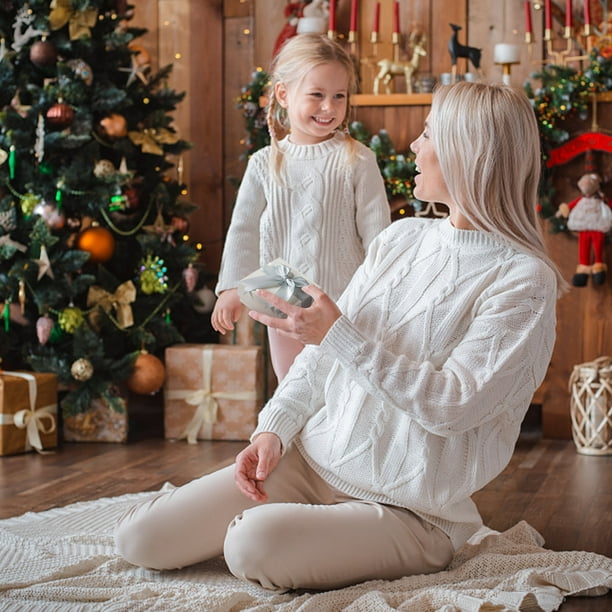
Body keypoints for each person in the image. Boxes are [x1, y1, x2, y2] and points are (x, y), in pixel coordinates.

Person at [116, 81, 566, 592]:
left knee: (251, 545)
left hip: (409, 510)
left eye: (426, 134)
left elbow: (454, 405)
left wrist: (338, 335)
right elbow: (322, 356)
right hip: (312, 463)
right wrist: (274, 430)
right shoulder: (402, 238)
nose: (413, 147)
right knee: (141, 539)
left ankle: (336, 539)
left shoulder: (523, 279)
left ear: (469, 153)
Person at [211, 33, 390, 381]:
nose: (329, 107)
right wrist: (232, 287)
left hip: (342, 302)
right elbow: (243, 229)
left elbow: (377, 233)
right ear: (283, 94)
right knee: (292, 386)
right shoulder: (265, 163)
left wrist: (380, 293)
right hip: (282, 295)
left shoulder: (357, 160)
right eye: (317, 95)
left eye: (339, 96)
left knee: (339, 391)